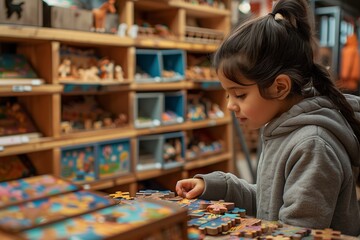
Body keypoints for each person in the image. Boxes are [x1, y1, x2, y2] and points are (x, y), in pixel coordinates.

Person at [175, 0, 360, 236]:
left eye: (239, 94)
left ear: (279, 87)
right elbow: (268, 203)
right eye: (227, 94)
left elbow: (294, 232)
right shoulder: (282, 128)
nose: (230, 105)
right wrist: (218, 186)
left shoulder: (312, 145)